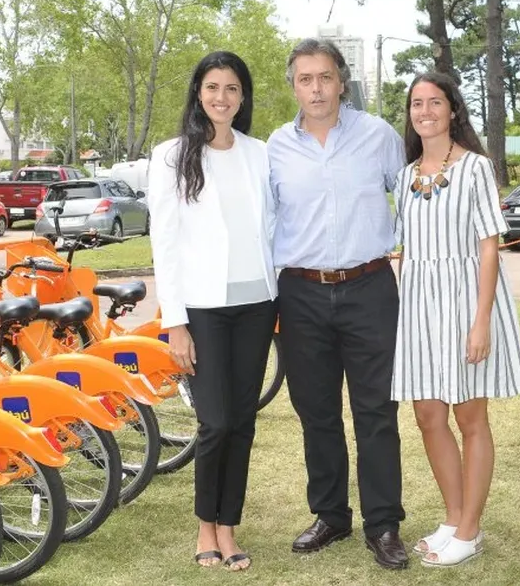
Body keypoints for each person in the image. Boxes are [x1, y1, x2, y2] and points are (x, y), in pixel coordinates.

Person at [268, 38, 409, 570]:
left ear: (341, 81)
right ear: (295, 87)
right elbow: (265, 223)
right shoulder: (276, 147)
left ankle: (384, 523)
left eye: (325, 77)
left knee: (376, 411)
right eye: (305, 79)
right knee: (317, 412)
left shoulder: (378, 136)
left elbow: (413, 197)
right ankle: (330, 514)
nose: (316, 88)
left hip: (370, 287)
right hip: (301, 292)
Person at [391, 72, 520, 568]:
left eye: (434, 102)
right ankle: (452, 518)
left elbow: (488, 246)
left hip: (466, 301)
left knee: (471, 417)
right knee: (428, 415)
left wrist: (481, 321)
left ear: (453, 110)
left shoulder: (475, 168)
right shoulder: (406, 176)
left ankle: (470, 529)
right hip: (420, 306)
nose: (424, 111)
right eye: (416, 103)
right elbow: (407, 248)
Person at [148, 50, 277, 572]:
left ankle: (229, 527)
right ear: (198, 94)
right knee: (216, 422)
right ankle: (205, 524)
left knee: (243, 422)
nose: (221, 97)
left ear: (242, 97)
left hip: (256, 304)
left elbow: (272, 230)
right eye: (212, 87)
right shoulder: (171, 156)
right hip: (202, 308)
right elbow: (166, 242)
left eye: (231, 88)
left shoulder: (260, 153)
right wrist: (175, 322)